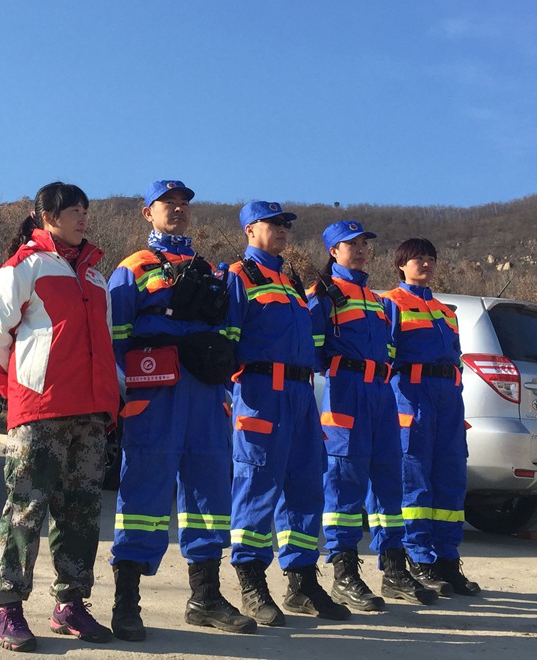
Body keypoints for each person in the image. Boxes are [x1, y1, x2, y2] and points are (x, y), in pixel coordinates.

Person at [108, 180, 255, 640]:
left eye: (184, 204)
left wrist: (221, 372)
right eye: (167, 204)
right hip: (154, 394)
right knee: (144, 495)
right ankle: (125, 602)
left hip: (207, 396)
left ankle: (205, 597)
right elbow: (114, 335)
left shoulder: (212, 270)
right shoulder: (132, 268)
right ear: (146, 213)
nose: (178, 210)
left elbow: (232, 331)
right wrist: (124, 391)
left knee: (211, 494)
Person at [0, 182, 119, 653]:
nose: (82, 217)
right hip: (41, 411)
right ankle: (7, 608)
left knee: (80, 513)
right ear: (46, 215)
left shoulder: (97, 277)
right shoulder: (23, 267)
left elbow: (105, 344)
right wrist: (20, 392)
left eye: (85, 209)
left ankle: (70, 604)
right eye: (73, 210)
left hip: (91, 413)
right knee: (25, 509)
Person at [227, 201, 350, 626]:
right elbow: (227, 343)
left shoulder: (291, 279)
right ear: (249, 230)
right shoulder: (239, 276)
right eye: (273, 224)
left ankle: (301, 581)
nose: (282, 230)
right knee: (258, 484)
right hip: (261, 392)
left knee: (305, 489)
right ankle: (250, 580)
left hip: (301, 394)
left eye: (285, 224)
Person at [308, 221, 437, 610]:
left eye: (364, 244)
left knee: (388, 484)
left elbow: (391, 352)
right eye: (352, 244)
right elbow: (311, 350)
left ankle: (394, 570)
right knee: (344, 483)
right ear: (334, 251)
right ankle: (344, 573)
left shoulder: (377, 300)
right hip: (346, 393)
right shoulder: (324, 294)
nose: (361, 250)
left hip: (381, 394)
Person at [381, 238, 481, 597]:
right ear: (401, 266)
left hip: (448, 400)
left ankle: (447, 561)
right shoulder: (392, 303)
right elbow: (386, 360)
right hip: (413, 397)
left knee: (450, 479)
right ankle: (420, 559)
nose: (425, 264)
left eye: (429, 259)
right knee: (416, 481)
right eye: (417, 259)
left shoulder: (445, 310)